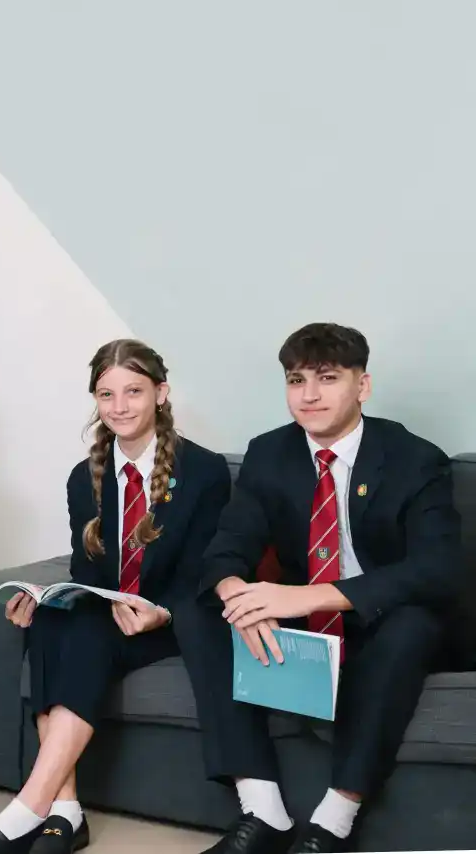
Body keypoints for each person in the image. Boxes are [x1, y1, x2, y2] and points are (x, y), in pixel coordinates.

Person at [182, 323, 462, 854]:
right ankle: (262, 809)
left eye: (327, 378)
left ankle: (335, 818)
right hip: (305, 624)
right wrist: (240, 594)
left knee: (413, 622)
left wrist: (311, 595)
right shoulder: (270, 453)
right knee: (200, 609)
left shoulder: (413, 457)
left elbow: (439, 568)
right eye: (296, 380)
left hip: (382, 619)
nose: (308, 395)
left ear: (364, 385)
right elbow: (225, 548)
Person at [0, 339, 232, 853]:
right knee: (53, 620)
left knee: (85, 630)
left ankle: (27, 808)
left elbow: (206, 575)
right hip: (109, 615)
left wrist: (157, 613)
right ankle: (66, 809)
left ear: (161, 394)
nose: (119, 407)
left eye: (133, 392)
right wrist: (44, 595)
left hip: (169, 621)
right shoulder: (85, 478)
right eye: (106, 394)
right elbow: (84, 570)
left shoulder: (206, 472)